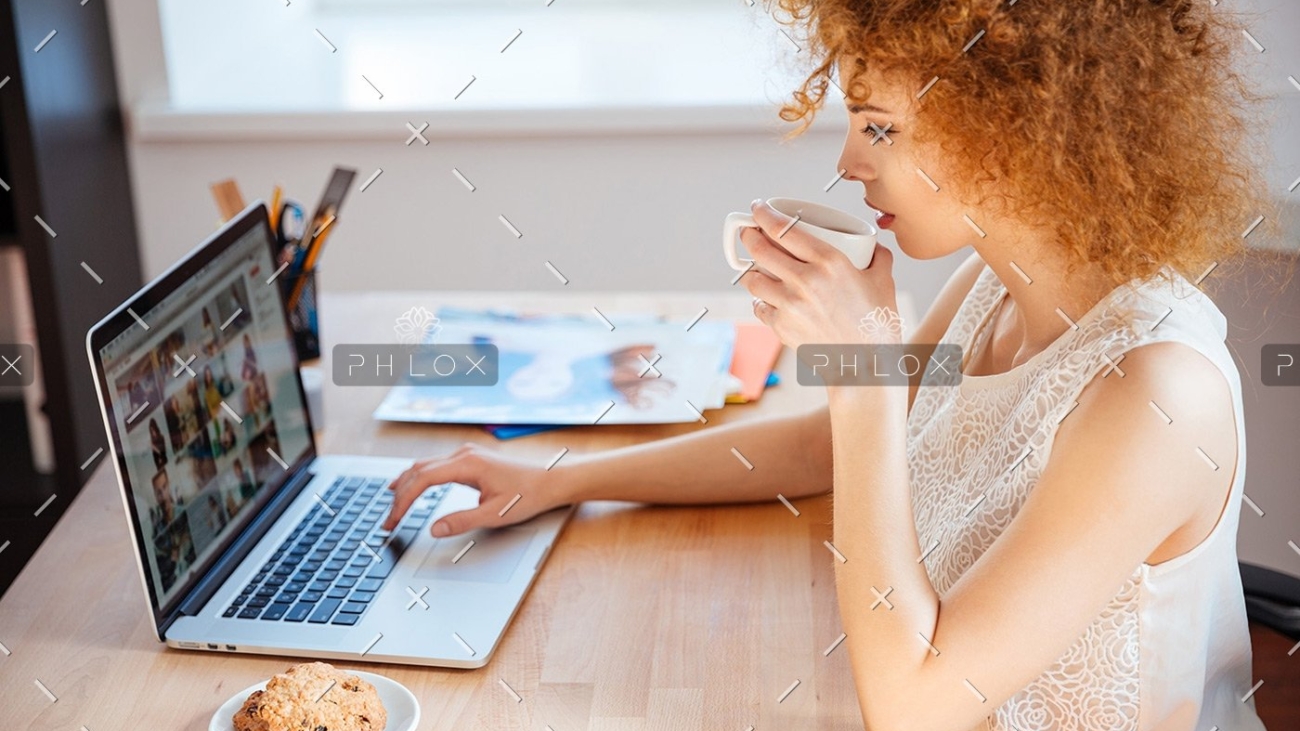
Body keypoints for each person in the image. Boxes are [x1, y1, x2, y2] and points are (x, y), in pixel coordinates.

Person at [380, 3, 1283, 730]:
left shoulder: (1158, 393)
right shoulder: (995, 284)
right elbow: (822, 452)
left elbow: (916, 706)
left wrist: (863, 378)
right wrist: (557, 475)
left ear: (1015, 131)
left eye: (881, 129)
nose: (849, 163)